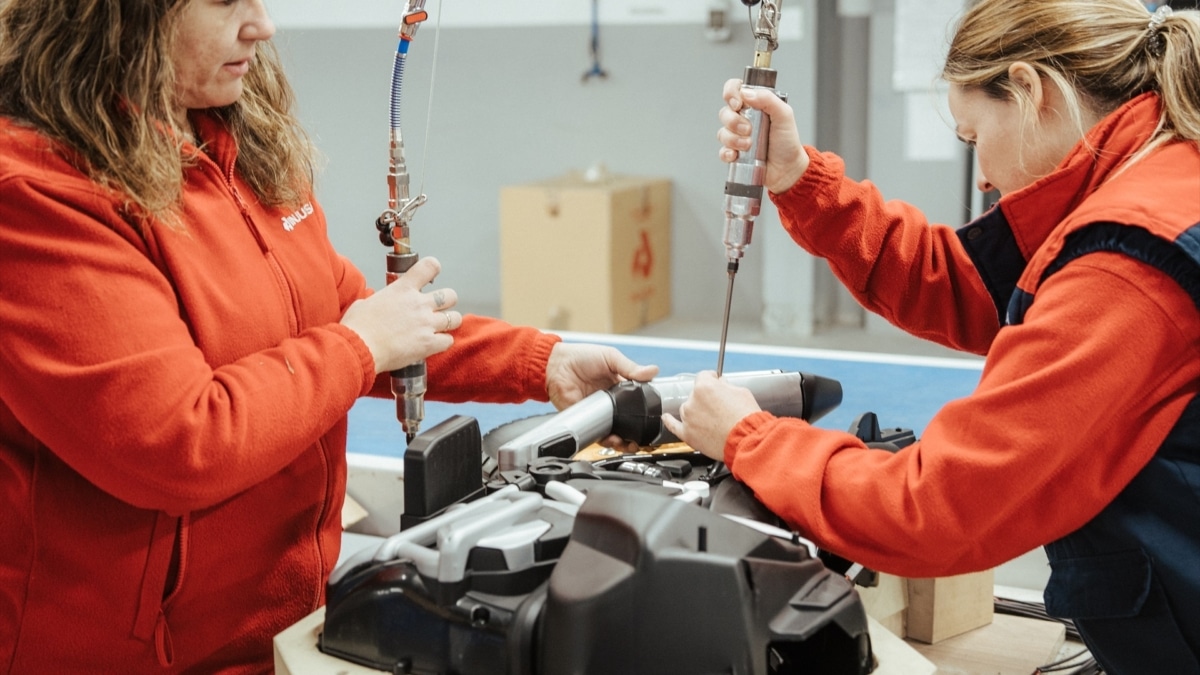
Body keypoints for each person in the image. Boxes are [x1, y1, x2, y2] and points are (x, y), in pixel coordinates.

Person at [0, 1, 657, 672]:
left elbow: (350, 316)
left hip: (281, 630)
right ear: (119, 18)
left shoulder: (233, 144)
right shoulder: (38, 196)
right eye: (227, 3)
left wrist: (541, 362)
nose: (262, 27)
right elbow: (178, 438)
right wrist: (359, 346)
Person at [662, 0, 1200, 671]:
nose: (979, 175)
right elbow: (970, 283)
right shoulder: (1150, 172)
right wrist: (801, 178)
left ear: (1030, 90)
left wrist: (748, 437)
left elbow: (931, 508)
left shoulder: (1129, 263)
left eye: (973, 136)